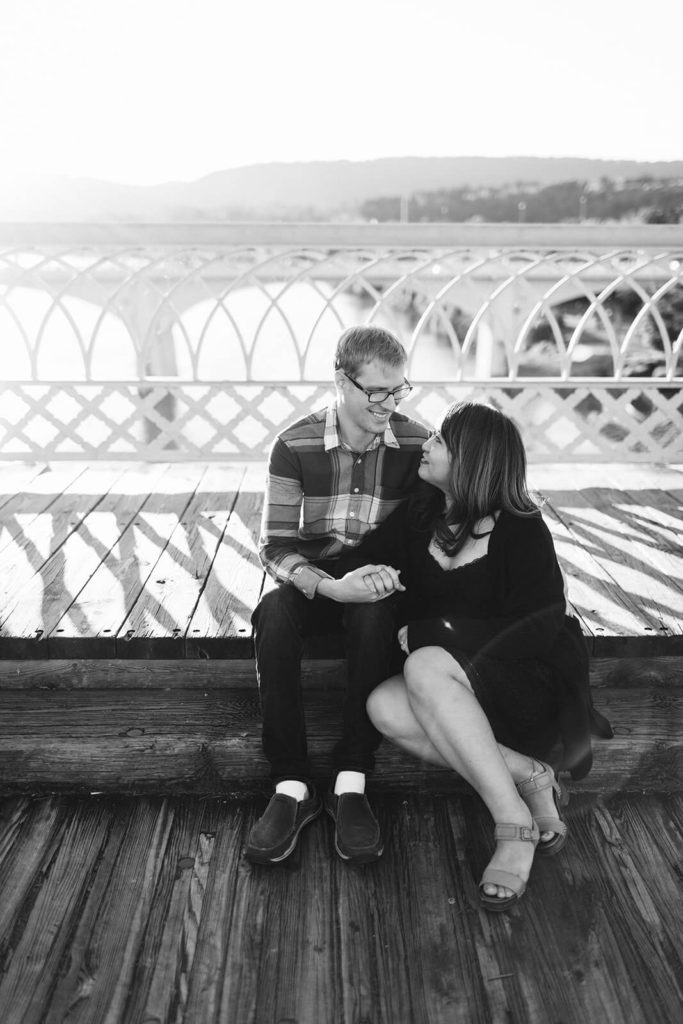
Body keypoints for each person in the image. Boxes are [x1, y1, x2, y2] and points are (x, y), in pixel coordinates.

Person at [355, 401, 611, 910]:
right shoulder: (423, 511)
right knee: (382, 706)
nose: (425, 447)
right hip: (454, 689)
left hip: (527, 682)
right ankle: (529, 776)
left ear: (471, 459)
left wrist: (436, 631)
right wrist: (309, 574)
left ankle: (512, 823)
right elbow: (363, 559)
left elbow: (538, 628)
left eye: (439, 442)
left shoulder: (521, 526)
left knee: (424, 661)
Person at [245, 325, 430, 866]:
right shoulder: (295, 444)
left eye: (398, 391)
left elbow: (430, 536)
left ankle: (352, 780)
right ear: (340, 382)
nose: (388, 404)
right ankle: (291, 786)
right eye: (376, 392)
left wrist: (382, 582)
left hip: (377, 581)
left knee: (373, 619)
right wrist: (328, 586)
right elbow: (274, 546)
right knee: (273, 616)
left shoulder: (418, 443)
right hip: (318, 576)